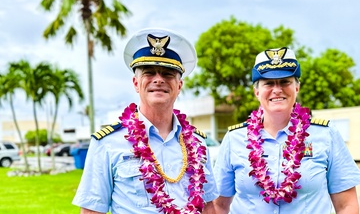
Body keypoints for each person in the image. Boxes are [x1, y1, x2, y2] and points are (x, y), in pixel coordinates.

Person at [72, 28, 219, 214]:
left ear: (179, 85)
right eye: (149, 73)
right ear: (136, 83)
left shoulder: (197, 143)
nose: (158, 80)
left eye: (168, 74)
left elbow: (208, 207)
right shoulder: (107, 143)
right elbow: (92, 211)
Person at [213, 47, 360, 213]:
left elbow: (347, 205)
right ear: (256, 91)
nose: (277, 89)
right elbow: (219, 205)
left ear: (296, 87)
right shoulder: (235, 138)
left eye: (285, 82)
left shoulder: (325, 134)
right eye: (268, 83)